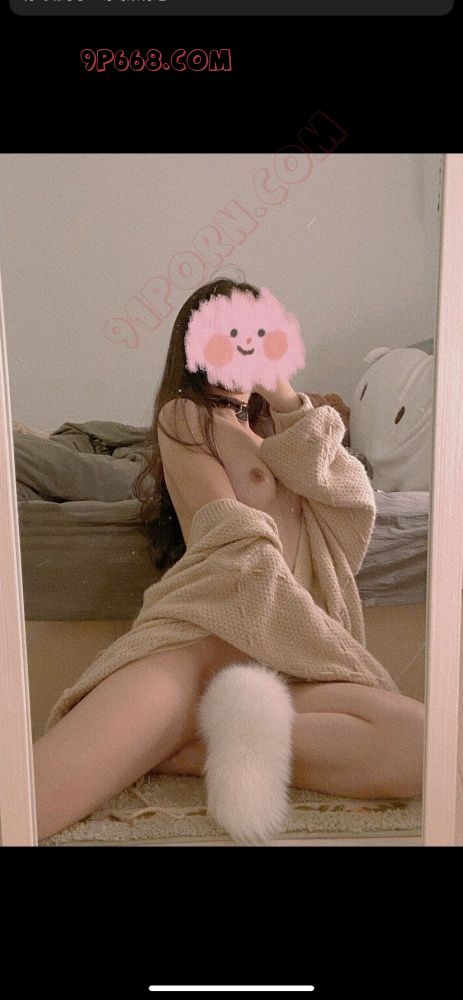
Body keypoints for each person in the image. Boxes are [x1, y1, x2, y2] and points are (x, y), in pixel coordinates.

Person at [33, 278, 424, 842]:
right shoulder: (186, 416)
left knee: (421, 743)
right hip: (201, 646)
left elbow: (351, 503)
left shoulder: (282, 438)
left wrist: (285, 397)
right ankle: (176, 728)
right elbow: (229, 530)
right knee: (32, 801)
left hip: (282, 661)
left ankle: (185, 741)